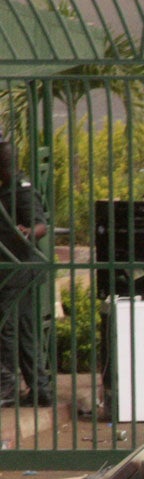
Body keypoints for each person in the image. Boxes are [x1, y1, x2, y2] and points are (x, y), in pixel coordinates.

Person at [0, 131, 51, 407]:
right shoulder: (5, 190)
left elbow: (41, 224)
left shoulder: (22, 189)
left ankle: (8, 389)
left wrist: (30, 231)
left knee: (8, 328)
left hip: (23, 268)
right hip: (11, 270)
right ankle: (40, 390)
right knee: (26, 330)